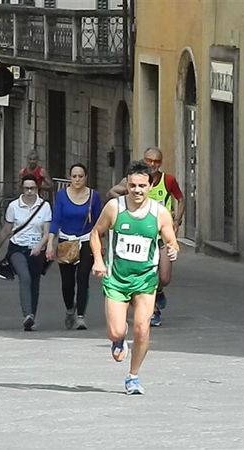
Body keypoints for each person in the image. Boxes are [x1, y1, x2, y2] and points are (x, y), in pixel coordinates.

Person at [91, 160, 179, 395]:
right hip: (117, 279)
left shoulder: (159, 212)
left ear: (150, 186)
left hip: (145, 279)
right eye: (132, 186)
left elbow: (171, 239)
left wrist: (172, 248)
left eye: (142, 185)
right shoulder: (114, 208)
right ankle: (118, 342)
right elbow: (95, 233)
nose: (137, 190)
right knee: (117, 331)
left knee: (142, 329)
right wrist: (99, 260)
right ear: (126, 185)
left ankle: (133, 376)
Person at [106, 147, 185, 326]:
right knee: (142, 275)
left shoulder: (168, 180)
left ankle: (159, 291)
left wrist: (177, 221)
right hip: (140, 236)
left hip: (161, 235)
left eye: (157, 161)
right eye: (149, 160)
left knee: (164, 278)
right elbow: (111, 192)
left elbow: (180, 199)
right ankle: (152, 311)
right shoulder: (131, 181)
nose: (153, 164)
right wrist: (126, 198)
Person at [45, 163, 102, 330]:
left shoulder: (94, 196)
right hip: (66, 241)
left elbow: (98, 223)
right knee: (67, 283)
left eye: (81, 176)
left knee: (82, 279)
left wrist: (100, 246)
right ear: (70, 178)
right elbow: (56, 220)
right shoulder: (62, 195)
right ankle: (70, 309)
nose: (77, 179)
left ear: (86, 178)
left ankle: (80, 317)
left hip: (86, 241)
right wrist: (50, 243)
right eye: (74, 176)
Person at [0, 174, 52, 331]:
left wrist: (40, 246)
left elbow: (47, 232)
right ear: (22, 188)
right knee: (24, 277)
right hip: (17, 248)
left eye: (32, 188)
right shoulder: (14, 206)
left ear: (37, 188)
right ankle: (27, 315)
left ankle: (32, 315)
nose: (30, 191)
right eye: (26, 188)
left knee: (35, 282)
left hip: (37, 249)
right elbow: (6, 230)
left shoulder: (44, 206)